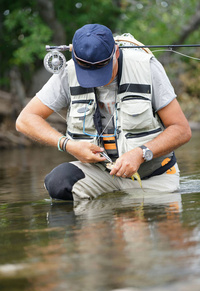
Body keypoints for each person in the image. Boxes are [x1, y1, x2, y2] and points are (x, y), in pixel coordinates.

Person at [16, 24, 191, 201]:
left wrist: (141, 153)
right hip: (100, 174)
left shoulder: (147, 67)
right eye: (87, 72)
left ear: (115, 52)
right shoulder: (68, 72)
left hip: (154, 176)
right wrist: (68, 145)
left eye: (102, 69)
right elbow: (25, 120)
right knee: (59, 182)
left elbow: (181, 129)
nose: (97, 80)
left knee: (144, 225)